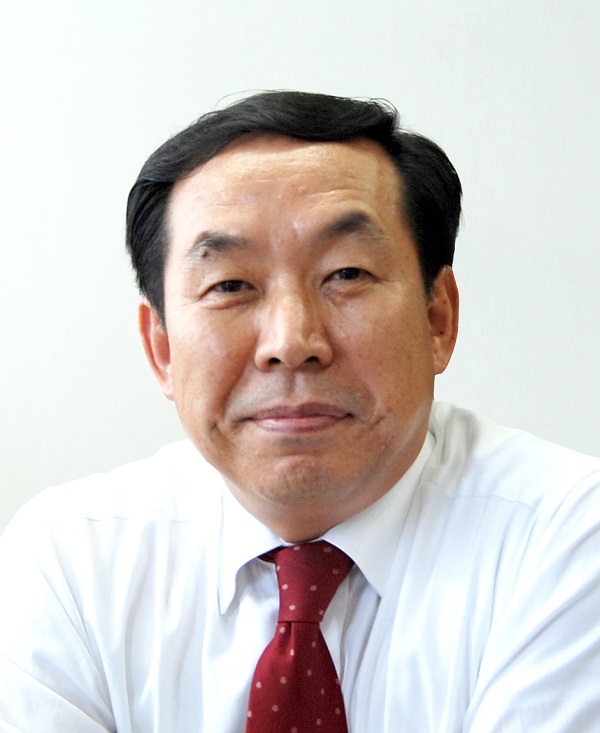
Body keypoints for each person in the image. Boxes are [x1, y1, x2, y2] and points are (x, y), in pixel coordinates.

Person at [1, 91, 599, 733]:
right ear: (163, 349)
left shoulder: (564, 537)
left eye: (347, 274)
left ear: (437, 319)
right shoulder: (73, 560)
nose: (291, 342)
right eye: (230, 285)